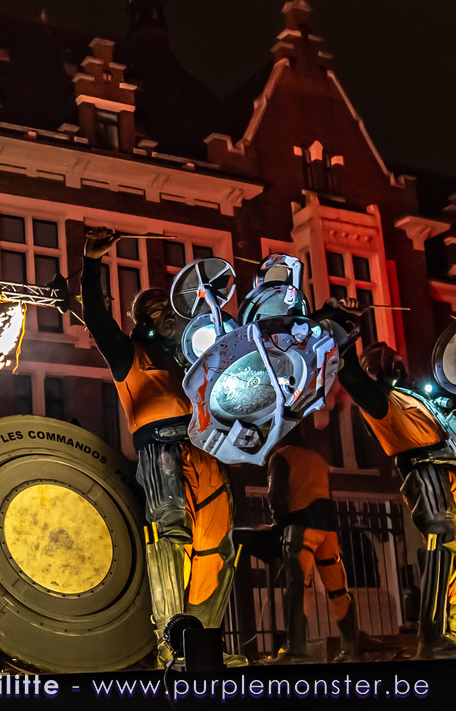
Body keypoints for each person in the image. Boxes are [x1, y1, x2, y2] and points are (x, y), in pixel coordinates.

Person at [79, 226, 237, 667]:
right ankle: (173, 644)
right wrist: (91, 263)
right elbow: (96, 316)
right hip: (161, 451)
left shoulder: (192, 356)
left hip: (206, 450)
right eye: (155, 310)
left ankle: (205, 647)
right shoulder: (127, 353)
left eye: (169, 308)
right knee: (171, 536)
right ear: (141, 322)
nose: (167, 314)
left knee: (218, 544)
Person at [331, 305, 456, 659]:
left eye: (399, 361)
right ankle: (432, 638)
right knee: (441, 543)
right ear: (376, 370)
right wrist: (347, 329)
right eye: (392, 362)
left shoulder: (415, 397)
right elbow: (350, 374)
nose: (400, 366)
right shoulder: (379, 401)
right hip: (425, 471)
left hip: (452, 473)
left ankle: (450, 632)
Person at [267, 420, 361, 663]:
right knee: (339, 591)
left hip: (301, 529)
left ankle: (296, 651)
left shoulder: (281, 456)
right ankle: (351, 650)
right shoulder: (318, 458)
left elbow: (276, 496)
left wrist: (278, 524)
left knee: (297, 590)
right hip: (328, 531)